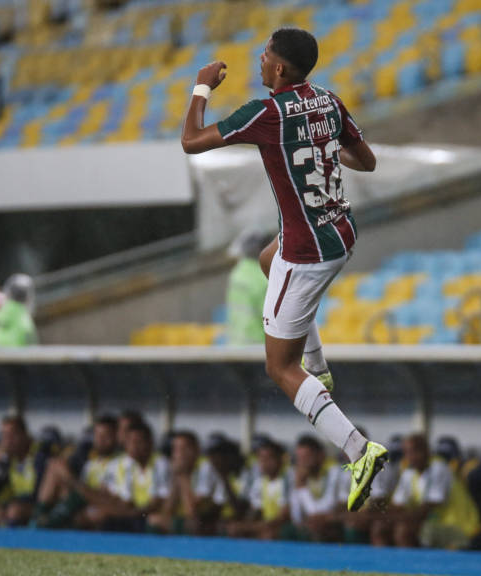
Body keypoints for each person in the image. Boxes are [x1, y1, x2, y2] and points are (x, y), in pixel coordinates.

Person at [179, 27, 387, 511]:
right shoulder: (329, 102)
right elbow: (367, 161)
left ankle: (359, 450)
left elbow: (191, 141)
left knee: (279, 366)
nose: (259, 58)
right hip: (341, 232)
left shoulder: (266, 113)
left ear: (278, 68)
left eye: (265, 54)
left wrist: (202, 86)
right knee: (264, 259)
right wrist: (320, 149)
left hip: (306, 252)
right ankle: (318, 369)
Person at [386, 433, 479, 549]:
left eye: (414, 452)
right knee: (381, 527)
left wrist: (391, 517)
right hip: (436, 525)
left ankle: (413, 561)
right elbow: (397, 505)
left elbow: (426, 510)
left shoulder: (439, 468)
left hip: (460, 528)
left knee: (407, 530)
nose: (410, 457)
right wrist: (381, 516)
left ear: (426, 452)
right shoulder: (409, 473)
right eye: (407, 453)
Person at [33, 414, 120, 529]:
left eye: (106, 436)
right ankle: (38, 517)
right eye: (97, 435)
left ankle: (45, 523)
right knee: (55, 465)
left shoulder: (121, 462)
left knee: (94, 512)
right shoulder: (91, 463)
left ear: (116, 437)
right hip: (81, 500)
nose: (100, 440)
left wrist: (79, 487)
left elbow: (112, 497)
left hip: (100, 504)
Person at [80, 420, 168, 532]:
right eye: (129, 442)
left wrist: (129, 512)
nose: (133, 446)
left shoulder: (160, 463)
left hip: (145, 514)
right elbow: (123, 500)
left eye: (138, 442)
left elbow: (157, 503)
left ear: (149, 443)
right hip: (131, 513)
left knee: (153, 520)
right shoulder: (125, 464)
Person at [227, 438, 290, 540]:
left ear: (280, 459)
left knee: (268, 534)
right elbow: (255, 511)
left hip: (284, 526)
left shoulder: (287, 480)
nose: (264, 463)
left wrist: (250, 527)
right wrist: (244, 526)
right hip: (266, 524)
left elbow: (282, 517)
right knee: (234, 529)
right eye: (261, 459)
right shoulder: (259, 482)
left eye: (269, 459)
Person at [289, 435, 343, 542]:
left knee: (318, 527)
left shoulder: (334, 472)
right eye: (299, 458)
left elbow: (322, 509)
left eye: (306, 457)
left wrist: (302, 487)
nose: (302, 463)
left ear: (320, 456)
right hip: (311, 524)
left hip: (333, 523)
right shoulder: (298, 476)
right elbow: (296, 517)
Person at [225, 230, 272, 345]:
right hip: (257, 346)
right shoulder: (263, 278)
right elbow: (270, 319)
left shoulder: (237, 273)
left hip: (234, 344)